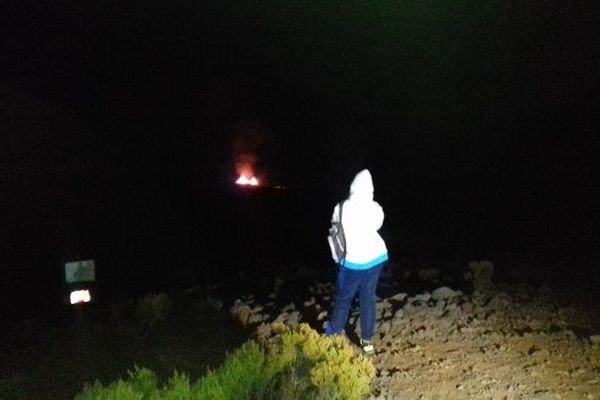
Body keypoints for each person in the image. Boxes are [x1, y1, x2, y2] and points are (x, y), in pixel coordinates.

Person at [325, 169, 388, 355]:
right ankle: (367, 341)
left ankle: (333, 334)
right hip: (376, 258)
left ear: (352, 186)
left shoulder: (341, 207)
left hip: (351, 262)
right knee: (368, 299)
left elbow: (334, 225)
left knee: (343, 299)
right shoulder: (375, 208)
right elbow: (378, 224)